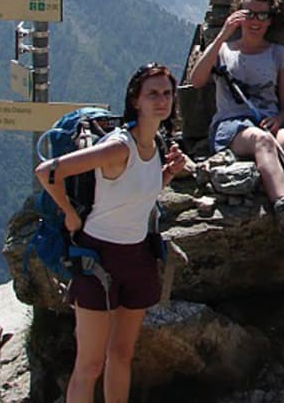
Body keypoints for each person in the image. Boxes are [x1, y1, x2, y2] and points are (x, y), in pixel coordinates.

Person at [35, 63, 188, 403]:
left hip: (138, 258)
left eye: (166, 93)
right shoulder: (118, 147)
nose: (161, 100)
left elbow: (132, 195)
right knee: (89, 365)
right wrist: (71, 216)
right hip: (98, 260)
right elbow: (47, 172)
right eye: (153, 94)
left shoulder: (156, 143)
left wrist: (166, 177)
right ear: (135, 100)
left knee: (120, 356)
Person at [190, 0, 284, 239]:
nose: (255, 20)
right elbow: (196, 80)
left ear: (270, 20)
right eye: (248, 13)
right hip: (230, 127)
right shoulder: (223, 51)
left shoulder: (280, 55)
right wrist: (222, 34)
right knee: (261, 140)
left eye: (262, 15)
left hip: (267, 124)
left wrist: (279, 120)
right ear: (237, 15)